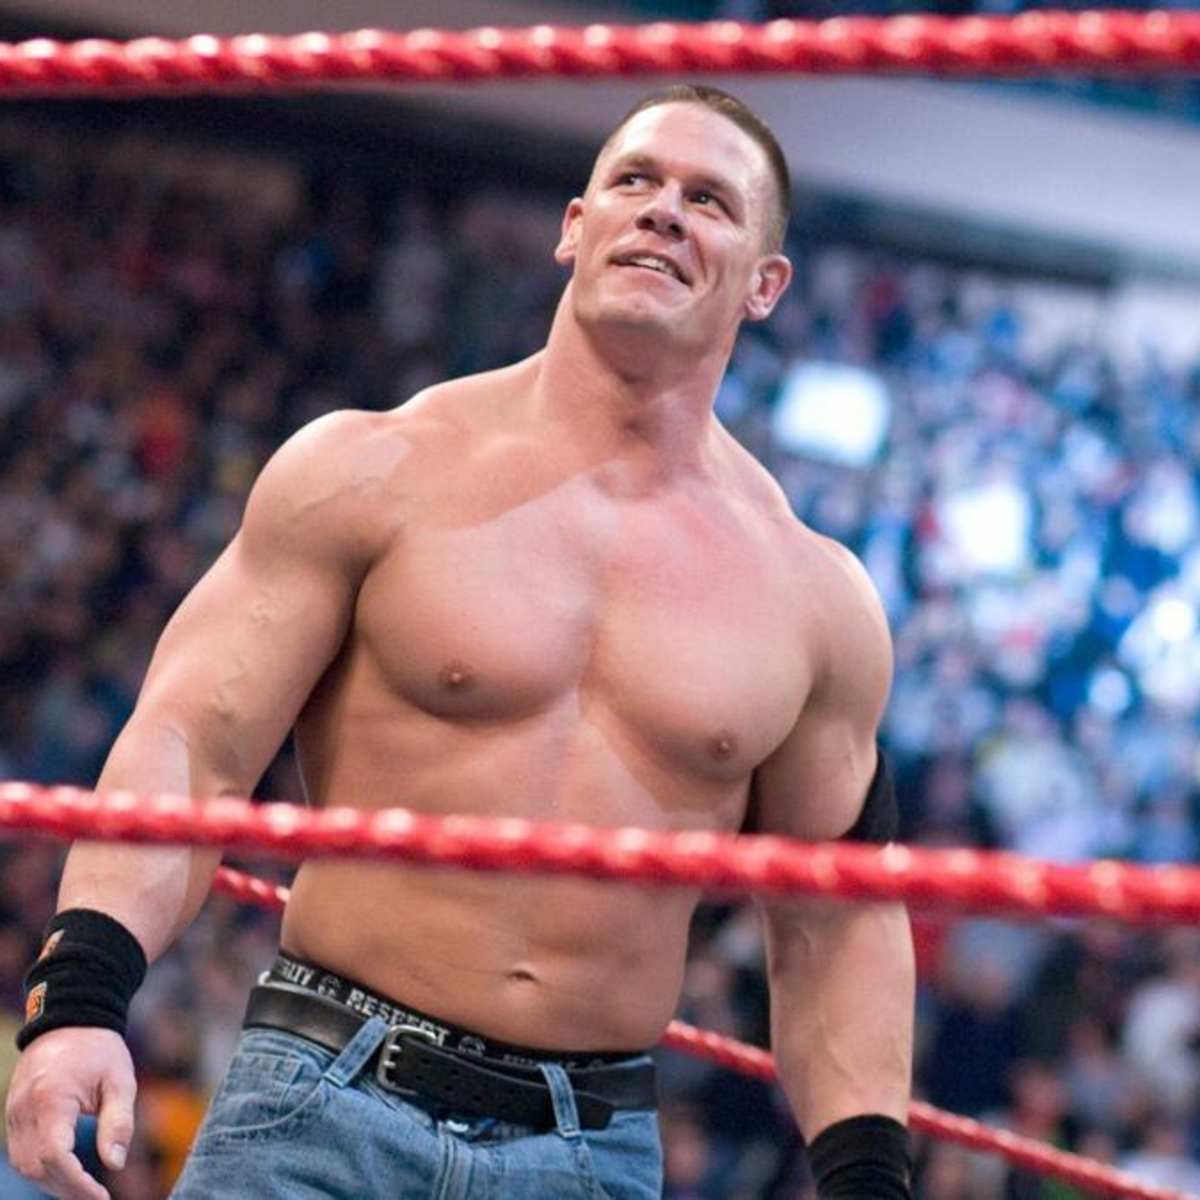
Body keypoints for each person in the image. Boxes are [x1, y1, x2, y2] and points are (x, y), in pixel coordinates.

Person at [5, 84, 915, 1199]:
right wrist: (79, 1002)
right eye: (635, 180)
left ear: (766, 284)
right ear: (574, 227)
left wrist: (871, 1185)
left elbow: (838, 922)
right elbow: (193, 743)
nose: (664, 211)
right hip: (322, 1097)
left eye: (709, 200)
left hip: (588, 1148)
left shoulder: (814, 598)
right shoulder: (371, 469)